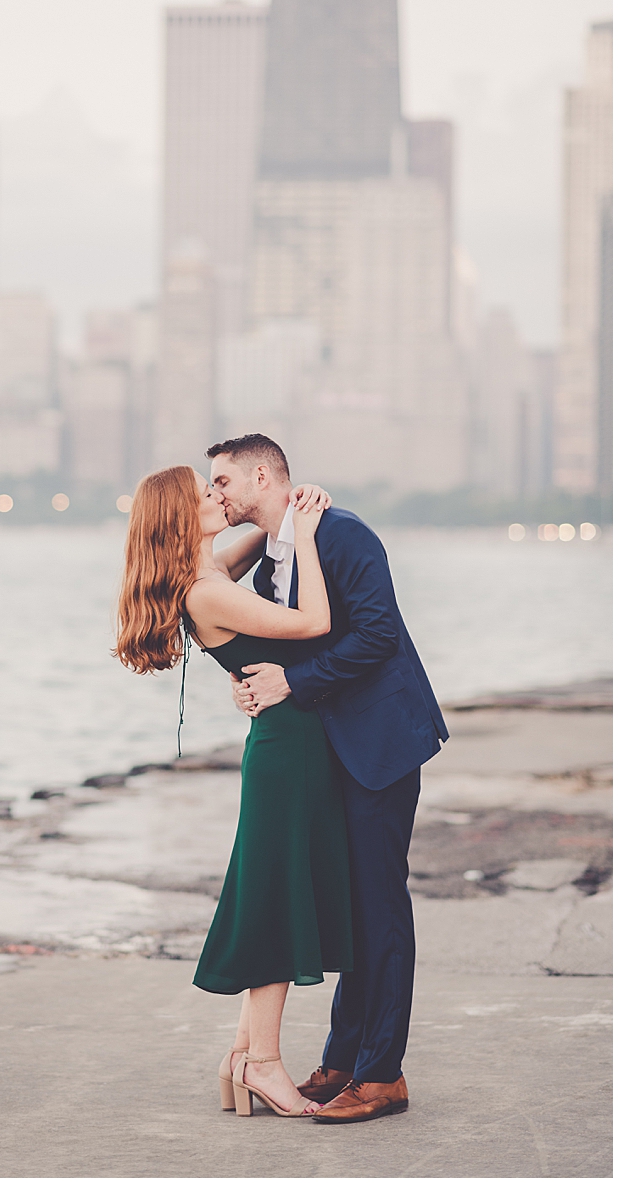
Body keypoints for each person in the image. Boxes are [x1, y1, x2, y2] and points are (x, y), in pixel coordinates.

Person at [207, 433, 447, 1124]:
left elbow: (375, 634)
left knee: (379, 905)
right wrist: (251, 684)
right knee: (348, 905)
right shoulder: (270, 563)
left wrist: (293, 681)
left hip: (379, 744)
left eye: (223, 481)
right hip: (329, 749)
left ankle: (383, 1073)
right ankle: (343, 1057)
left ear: (263, 474)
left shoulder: (343, 535)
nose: (216, 494)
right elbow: (277, 641)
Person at [115, 462, 345, 1118]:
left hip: (286, 744)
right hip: (286, 753)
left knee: (274, 893)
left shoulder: (211, 570)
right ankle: (264, 1064)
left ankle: (243, 1055)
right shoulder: (206, 591)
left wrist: (282, 512)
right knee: (276, 904)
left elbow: (259, 536)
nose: (218, 496)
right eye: (206, 493)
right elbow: (315, 621)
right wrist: (305, 530)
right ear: (180, 518)